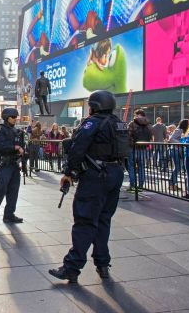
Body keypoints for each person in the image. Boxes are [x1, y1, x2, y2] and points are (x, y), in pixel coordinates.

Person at [48, 90, 128, 283]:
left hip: (96, 177)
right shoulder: (119, 123)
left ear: (95, 106)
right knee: (103, 220)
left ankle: (72, 267)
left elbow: (77, 148)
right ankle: (102, 264)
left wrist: (68, 173)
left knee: (85, 221)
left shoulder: (93, 122)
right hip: (115, 175)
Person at [127, 109, 152, 192]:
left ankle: (132, 186)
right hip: (143, 148)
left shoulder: (132, 123)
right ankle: (141, 186)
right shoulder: (148, 124)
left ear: (137, 115)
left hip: (133, 148)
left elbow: (128, 135)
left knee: (131, 167)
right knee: (141, 167)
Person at [167, 119, 189, 190]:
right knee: (177, 168)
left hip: (178, 151)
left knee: (178, 168)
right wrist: (181, 143)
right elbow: (171, 139)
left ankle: (173, 184)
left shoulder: (182, 131)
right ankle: (172, 184)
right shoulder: (179, 130)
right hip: (176, 150)